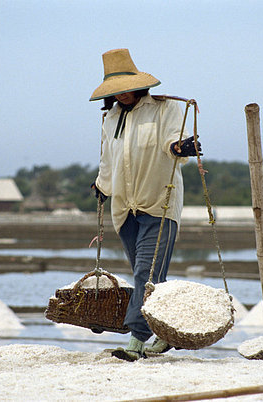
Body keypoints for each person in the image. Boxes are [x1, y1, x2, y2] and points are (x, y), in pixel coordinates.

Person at [89, 48, 201, 361]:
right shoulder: (111, 118)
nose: (122, 95)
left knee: (144, 274)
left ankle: (137, 340)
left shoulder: (163, 110)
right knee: (153, 279)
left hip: (159, 204)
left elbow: (171, 142)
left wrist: (182, 146)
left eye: (126, 88)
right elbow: (108, 160)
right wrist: (101, 186)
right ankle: (166, 334)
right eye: (116, 91)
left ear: (139, 85)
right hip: (125, 208)